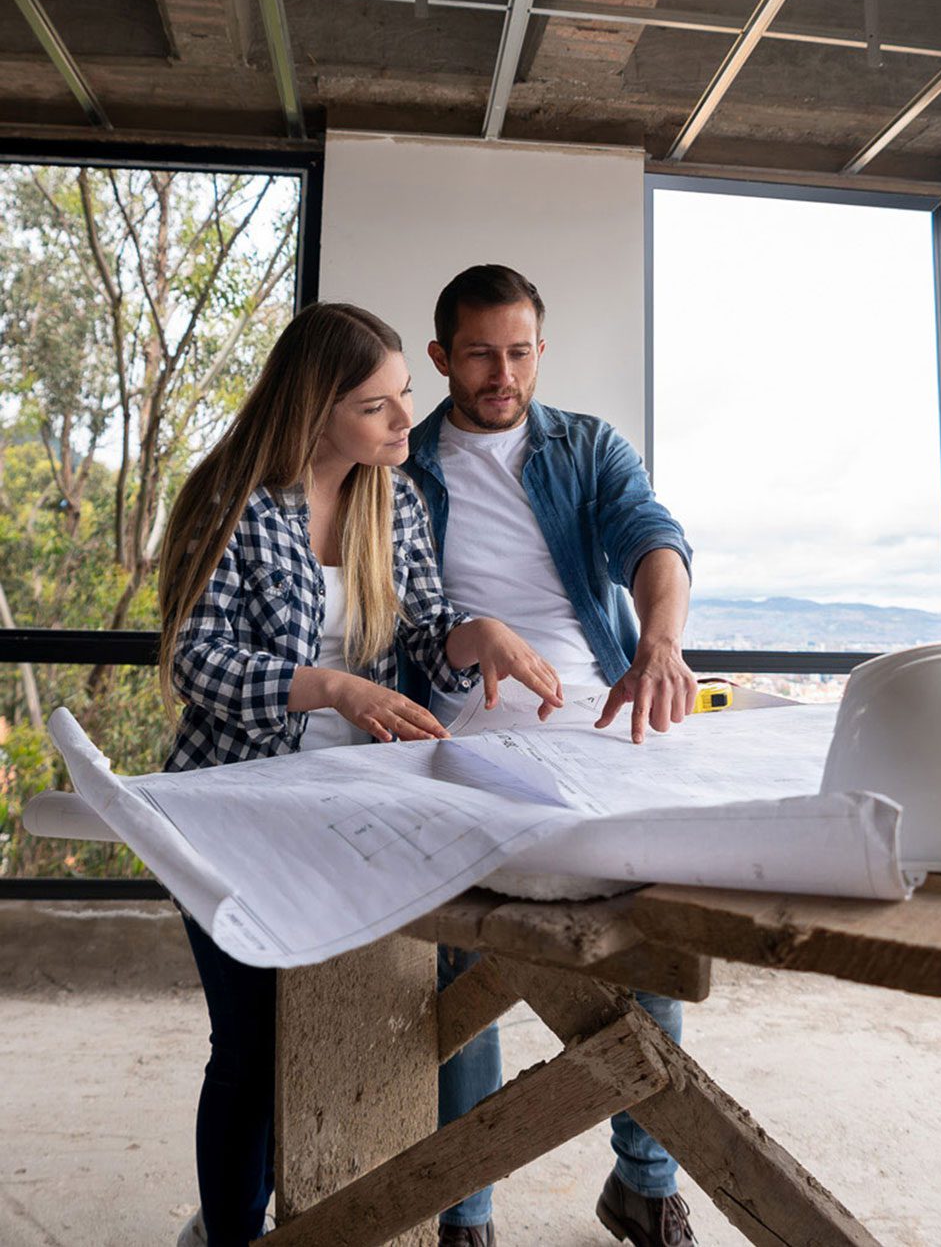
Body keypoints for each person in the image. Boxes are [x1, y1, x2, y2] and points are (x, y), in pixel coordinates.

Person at [157, 301, 562, 1247]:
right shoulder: (229, 500)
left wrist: (481, 633)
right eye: (378, 407)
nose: (403, 422)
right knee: (252, 1046)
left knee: (361, 1039)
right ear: (315, 409)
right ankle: (229, 1235)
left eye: (404, 398)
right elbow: (194, 661)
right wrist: (329, 687)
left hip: (355, 815)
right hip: (231, 809)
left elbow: (427, 633)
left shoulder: (398, 500)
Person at [402, 265, 699, 1247]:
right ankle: (466, 1209)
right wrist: (468, 635)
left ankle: (645, 1182)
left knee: (655, 899)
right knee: (465, 934)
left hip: (599, 702)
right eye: (480, 353)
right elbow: (389, 622)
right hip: (463, 715)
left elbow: (650, 538)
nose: (502, 373)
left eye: (520, 351)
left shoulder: (587, 445)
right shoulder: (400, 467)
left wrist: (659, 637)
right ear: (442, 356)